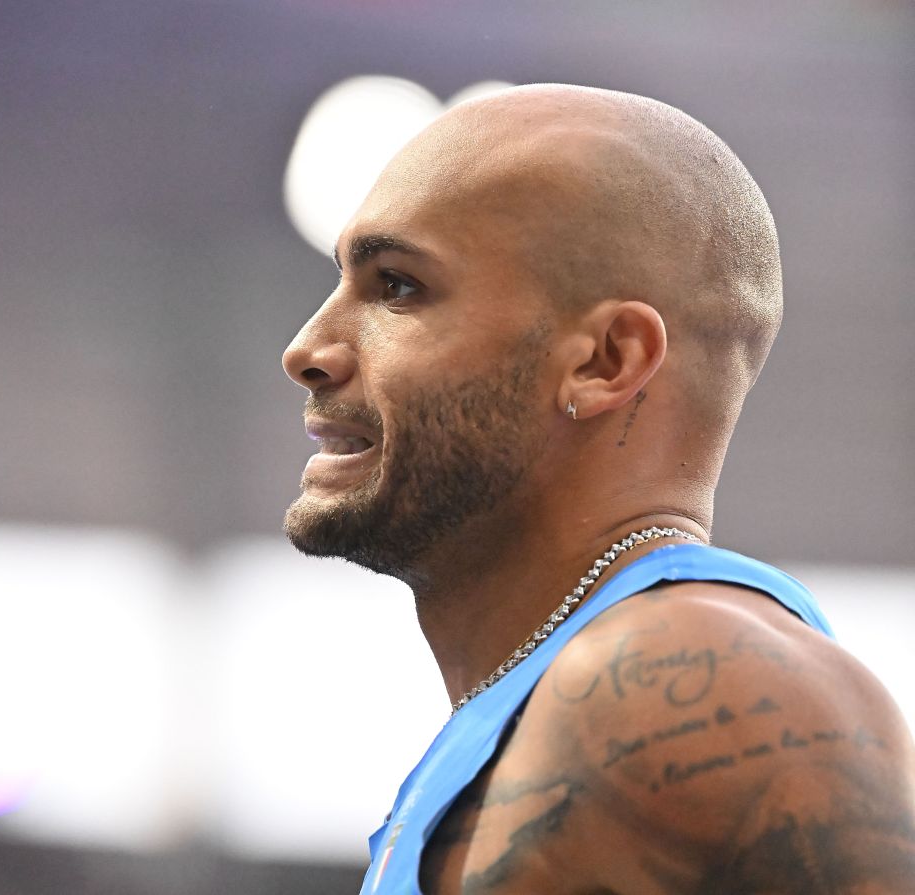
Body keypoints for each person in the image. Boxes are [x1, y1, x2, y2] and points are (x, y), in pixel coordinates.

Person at [280, 84, 915, 894]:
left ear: (606, 361)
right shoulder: (543, 700)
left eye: (397, 286)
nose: (308, 349)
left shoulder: (692, 683)